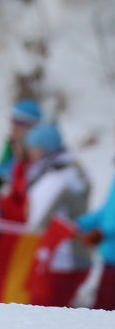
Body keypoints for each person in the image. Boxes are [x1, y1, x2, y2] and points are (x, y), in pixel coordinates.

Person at [21, 122, 91, 307]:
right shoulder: (69, 169)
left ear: (46, 148)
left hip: (60, 259)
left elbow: (37, 222)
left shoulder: (55, 177)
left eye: (34, 148)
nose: (31, 153)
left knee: (48, 314)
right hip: (71, 257)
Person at [76, 128, 115, 310]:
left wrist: (103, 232)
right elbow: (107, 211)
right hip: (109, 258)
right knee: (103, 310)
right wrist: (80, 224)